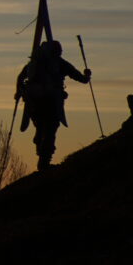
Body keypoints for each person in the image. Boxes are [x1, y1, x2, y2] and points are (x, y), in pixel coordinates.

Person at [15, 40, 91, 170]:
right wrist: (87, 76)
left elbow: (20, 78)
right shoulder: (60, 63)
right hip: (51, 102)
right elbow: (81, 78)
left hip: (33, 103)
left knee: (41, 127)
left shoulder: (33, 64)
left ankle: (41, 154)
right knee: (50, 128)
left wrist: (20, 92)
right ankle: (44, 161)